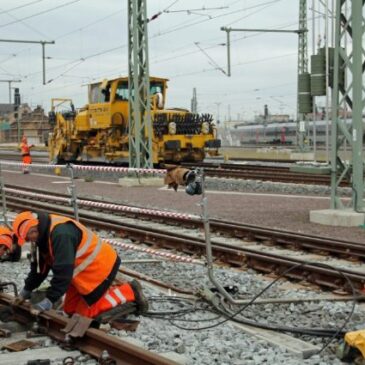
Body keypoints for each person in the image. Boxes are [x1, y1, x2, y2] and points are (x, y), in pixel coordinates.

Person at [11, 211, 148, 319]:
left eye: (29, 238)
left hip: (99, 267)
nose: (30, 242)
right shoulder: (41, 236)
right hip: (80, 272)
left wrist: (49, 300)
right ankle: (111, 291)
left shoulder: (61, 234)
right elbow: (39, 270)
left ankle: (130, 291)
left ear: (34, 230)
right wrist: (25, 292)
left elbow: (63, 273)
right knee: (70, 311)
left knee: (84, 315)